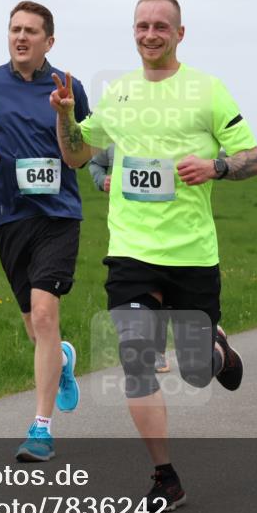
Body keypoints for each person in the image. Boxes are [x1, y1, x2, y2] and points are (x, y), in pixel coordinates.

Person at [49, 0, 257, 511]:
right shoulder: (119, 94)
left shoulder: (208, 91)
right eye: (142, 25)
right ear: (134, 31)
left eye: (161, 26)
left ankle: (217, 351)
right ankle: (165, 476)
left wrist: (214, 168)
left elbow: (253, 159)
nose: (150, 34)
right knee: (136, 362)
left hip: (191, 252)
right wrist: (65, 115)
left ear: (180, 34)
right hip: (130, 250)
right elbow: (77, 153)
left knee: (194, 372)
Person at [0, 1, 90, 462]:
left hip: (58, 215)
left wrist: (66, 114)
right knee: (36, 329)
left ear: (49, 41)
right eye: (15, 29)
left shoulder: (69, 88)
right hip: (9, 217)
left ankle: (41, 428)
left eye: (31, 31)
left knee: (46, 315)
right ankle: (64, 359)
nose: (21, 37)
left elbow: (82, 153)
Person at [89, 144, 172, 373]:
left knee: (161, 290)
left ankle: (158, 348)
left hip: (169, 223)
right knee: (138, 291)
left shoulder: (172, 126)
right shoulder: (116, 134)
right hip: (129, 228)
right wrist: (101, 179)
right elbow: (95, 162)